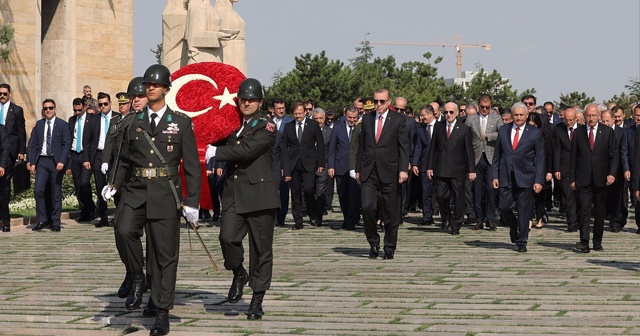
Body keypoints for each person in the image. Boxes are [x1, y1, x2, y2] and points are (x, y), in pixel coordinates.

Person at [103, 64, 201, 336]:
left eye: (156, 85)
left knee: (164, 255)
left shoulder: (180, 123)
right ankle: (136, 275)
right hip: (135, 190)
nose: (150, 88)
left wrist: (192, 202)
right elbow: (122, 159)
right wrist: (114, 183)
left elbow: (192, 166)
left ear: (166, 89)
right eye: (148, 84)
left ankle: (161, 310)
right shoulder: (132, 122)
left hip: (165, 194)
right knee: (122, 229)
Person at [206, 78, 280, 320]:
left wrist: (217, 152)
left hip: (260, 195)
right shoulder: (231, 123)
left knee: (261, 250)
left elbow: (247, 150)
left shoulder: (266, 126)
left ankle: (257, 299)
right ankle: (238, 272)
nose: (246, 103)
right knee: (227, 237)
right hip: (234, 194)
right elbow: (211, 132)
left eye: (252, 99)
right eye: (243, 99)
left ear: (260, 102)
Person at [355, 88, 410, 260]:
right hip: (369, 171)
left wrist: (403, 169)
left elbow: (404, 146)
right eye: (376, 101)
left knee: (391, 212)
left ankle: (389, 246)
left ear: (388, 102)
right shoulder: (367, 118)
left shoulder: (399, 120)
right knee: (367, 207)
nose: (378, 104)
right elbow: (361, 146)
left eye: (381, 101)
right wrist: (358, 169)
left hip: (390, 171)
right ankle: (373, 242)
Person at [492, 102, 545, 252]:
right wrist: (494, 175)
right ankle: (513, 224)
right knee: (504, 206)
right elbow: (497, 155)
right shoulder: (503, 130)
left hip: (526, 176)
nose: (519, 118)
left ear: (527, 115)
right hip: (505, 175)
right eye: (516, 115)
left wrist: (539, 180)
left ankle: (522, 241)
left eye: (522, 115)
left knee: (524, 210)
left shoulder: (534, 132)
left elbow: (540, 159)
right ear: (512, 116)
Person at [570, 104, 618, 253]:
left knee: (599, 211)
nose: (591, 118)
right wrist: (572, 178)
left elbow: (614, 155)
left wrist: (612, 174)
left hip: (601, 177)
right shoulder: (578, 133)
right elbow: (573, 157)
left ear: (599, 116)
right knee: (583, 210)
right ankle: (584, 241)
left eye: (593, 115)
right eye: (588, 116)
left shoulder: (608, 132)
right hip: (583, 178)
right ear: (584, 117)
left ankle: (597, 241)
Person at [426, 102, 476, 235]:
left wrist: (471, 170)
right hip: (441, 167)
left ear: (457, 113)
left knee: (459, 197)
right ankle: (446, 215)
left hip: (458, 168)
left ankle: (457, 222)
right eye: (446, 112)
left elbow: (469, 151)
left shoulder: (464, 129)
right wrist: (429, 166)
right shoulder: (438, 126)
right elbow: (432, 148)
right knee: (441, 195)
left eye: (451, 112)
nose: (448, 115)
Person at [27, 99, 71, 232]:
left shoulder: (62, 125)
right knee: (38, 190)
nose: (48, 110)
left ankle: (55, 221)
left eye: (50, 108)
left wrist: (62, 161)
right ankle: (42, 219)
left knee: (55, 192)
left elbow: (66, 144)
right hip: (42, 162)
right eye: (45, 108)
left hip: (56, 162)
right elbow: (32, 145)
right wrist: (32, 162)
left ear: (55, 109)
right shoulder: (39, 125)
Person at [282, 102, 325, 229]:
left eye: (300, 113)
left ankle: (312, 213)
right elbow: (284, 147)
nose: (297, 116)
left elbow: (320, 144)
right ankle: (298, 221)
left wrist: (321, 163)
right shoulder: (288, 126)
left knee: (308, 189)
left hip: (309, 163)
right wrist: (286, 168)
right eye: (295, 114)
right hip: (294, 164)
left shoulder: (313, 125)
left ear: (305, 112)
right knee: (295, 193)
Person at [466, 94, 503, 230]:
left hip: (491, 157)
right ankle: (479, 219)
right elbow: (466, 138)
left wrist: (488, 136)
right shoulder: (471, 119)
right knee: (476, 190)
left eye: (487, 107)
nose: (485, 109)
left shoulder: (496, 118)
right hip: (476, 158)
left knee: (491, 189)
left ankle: (490, 218)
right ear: (478, 105)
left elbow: (502, 133)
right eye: (482, 107)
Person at [328, 106, 360, 230]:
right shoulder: (337, 127)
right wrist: (331, 166)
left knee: (354, 195)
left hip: (355, 167)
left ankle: (351, 221)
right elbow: (332, 148)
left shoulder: (360, 127)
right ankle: (347, 218)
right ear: (345, 116)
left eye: (354, 118)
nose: (352, 120)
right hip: (340, 165)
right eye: (350, 117)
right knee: (342, 194)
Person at [0, 83, 27, 232]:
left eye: (4, 93)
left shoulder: (16, 110)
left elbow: (21, 131)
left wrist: (21, 150)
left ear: (9, 93)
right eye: (0, 94)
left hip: (9, 152)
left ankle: (6, 221)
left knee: (4, 185)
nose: (2, 96)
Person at [68, 98, 99, 222]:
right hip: (75, 155)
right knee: (77, 185)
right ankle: (84, 211)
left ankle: (91, 208)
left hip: (86, 156)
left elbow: (93, 141)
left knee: (84, 183)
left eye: (79, 110)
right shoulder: (71, 120)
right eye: (75, 110)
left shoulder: (91, 120)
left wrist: (88, 158)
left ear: (84, 107)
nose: (77, 112)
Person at [94, 92, 120, 228]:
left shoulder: (117, 117)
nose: (103, 106)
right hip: (98, 155)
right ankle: (103, 217)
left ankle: (118, 216)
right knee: (100, 188)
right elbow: (89, 139)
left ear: (110, 103)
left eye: (105, 104)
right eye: (100, 104)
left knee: (114, 186)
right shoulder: (94, 119)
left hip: (113, 156)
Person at [553, 108, 579, 232]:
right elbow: (556, 150)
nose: (568, 123)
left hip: (580, 168)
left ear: (576, 119)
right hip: (564, 167)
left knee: (580, 198)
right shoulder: (559, 130)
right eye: (566, 120)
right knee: (568, 198)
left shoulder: (582, 129)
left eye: (571, 120)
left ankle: (581, 221)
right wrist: (556, 168)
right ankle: (571, 223)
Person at [526, 112, 553, 229]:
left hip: (541, 168)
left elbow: (549, 154)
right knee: (528, 196)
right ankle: (529, 218)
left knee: (539, 195)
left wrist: (549, 171)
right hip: (528, 168)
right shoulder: (524, 135)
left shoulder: (544, 135)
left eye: (534, 125)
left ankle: (539, 217)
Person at [412, 105, 436, 225]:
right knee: (426, 192)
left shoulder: (440, 126)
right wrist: (415, 163)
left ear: (431, 114)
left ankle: (444, 216)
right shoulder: (421, 129)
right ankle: (427, 217)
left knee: (441, 193)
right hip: (425, 163)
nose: (421, 117)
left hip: (439, 164)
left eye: (423, 115)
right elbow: (418, 146)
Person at [271, 99, 293, 227]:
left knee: (284, 191)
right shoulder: (267, 123)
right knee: (272, 191)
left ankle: (282, 216)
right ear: (273, 110)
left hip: (285, 160)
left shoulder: (289, 122)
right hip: (272, 161)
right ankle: (272, 216)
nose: (281, 110)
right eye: (278, 108)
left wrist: (286, 166)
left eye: (283, 108)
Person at [622, 105, 640, 233]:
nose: (639, 118)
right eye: (637, 115)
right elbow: (624, 152)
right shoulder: (628, 131)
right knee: (637, 197)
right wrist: (626, 168)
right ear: (633, 116)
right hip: (635, 170)